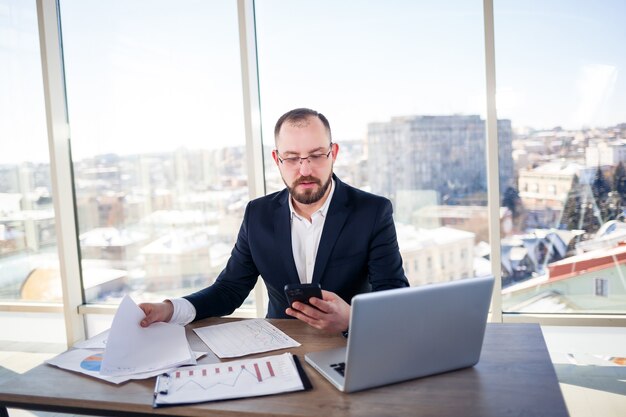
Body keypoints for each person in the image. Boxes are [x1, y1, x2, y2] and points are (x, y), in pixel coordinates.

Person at [139, 108, 408, 334]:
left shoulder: (373, 211)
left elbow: (394, 297)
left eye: (316, 155)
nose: (304, 170)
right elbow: (230, 289)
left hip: (349, 347)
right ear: (276, 159)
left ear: (333, 153)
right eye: (291, 158)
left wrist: (352, 319)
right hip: (279, 352)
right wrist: (171, 309)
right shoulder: (257, 214)